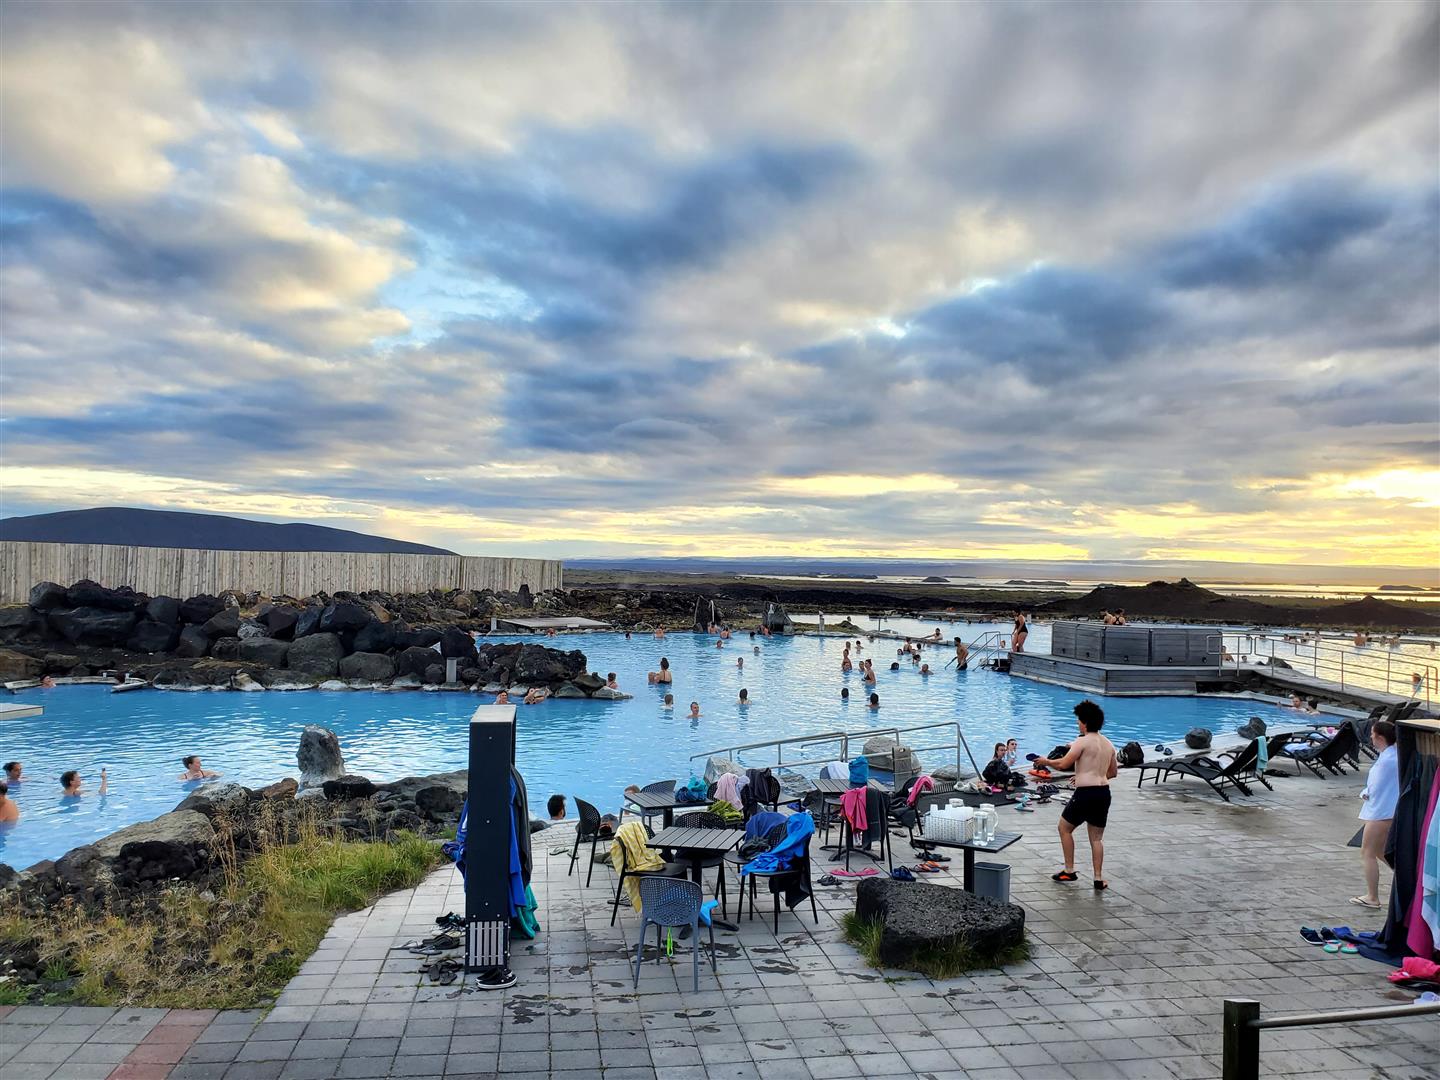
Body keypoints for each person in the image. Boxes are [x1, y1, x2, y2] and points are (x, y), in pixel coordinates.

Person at [1036, 700, 1117, 889]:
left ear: (1086, 722)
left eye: (1079, 720)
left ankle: (1069, 871)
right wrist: (1084, 775)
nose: (1077, 723)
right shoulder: (1108, 743)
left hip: (1085, 795)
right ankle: (1098, 879)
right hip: (1103, 793)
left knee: (1064, 828)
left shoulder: (1082, 741)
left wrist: (1046, 761)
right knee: (1096, 838)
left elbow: (1064, 763)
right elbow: (1112, 773)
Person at [1353, 719, 1399, 908]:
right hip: (1388, 810)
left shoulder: (1386, 761)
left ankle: (1372, 897)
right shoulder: (1394, 754)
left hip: (1380, 812)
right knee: (1381, 852)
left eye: (1372, 734)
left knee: (1368, 853)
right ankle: (1409, 878)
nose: (1370, 737)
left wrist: (1364, 793)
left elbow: (1374, 787)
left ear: (1380, 737)